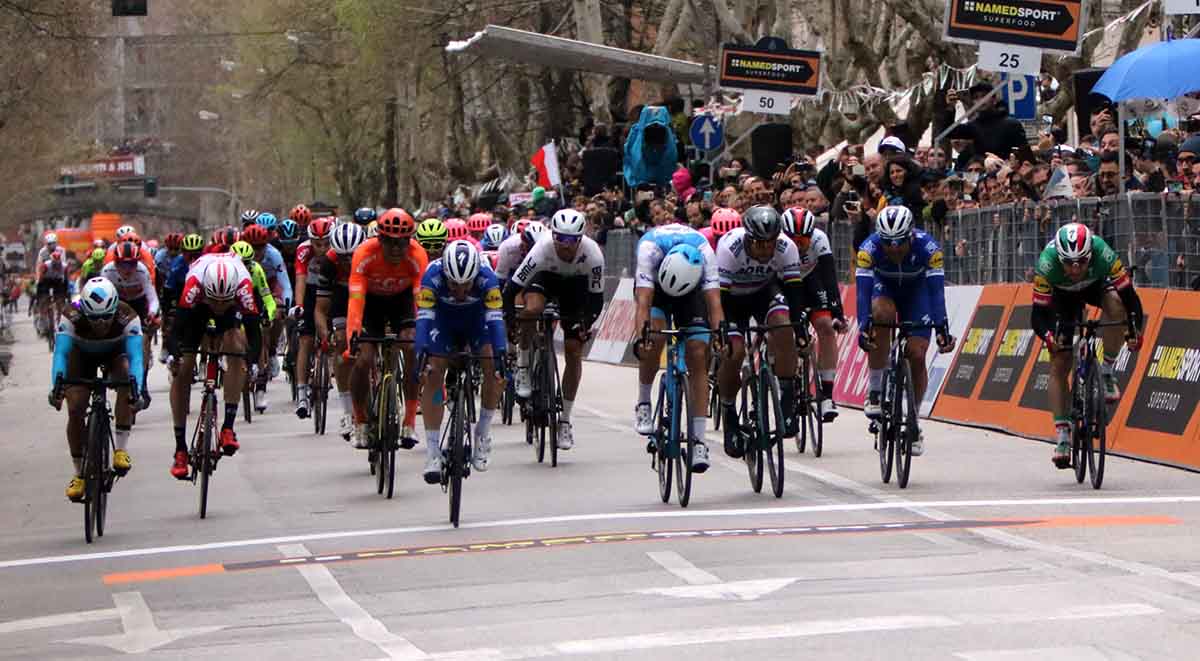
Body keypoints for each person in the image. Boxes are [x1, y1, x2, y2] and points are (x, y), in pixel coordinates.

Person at [1031, 223, 1144, 468]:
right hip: (1061, 297)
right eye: (1069, 263)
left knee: (1116, 305)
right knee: (1059, 360)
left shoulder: (1103, 252)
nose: (1075, 268)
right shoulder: (1047, 263)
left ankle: (1106, 371)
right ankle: (1062, 432)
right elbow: (1038, 315)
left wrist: (1135, 331)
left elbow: (1130, 297)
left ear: (1090, 254)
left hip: (1095, 285)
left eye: (1081, 261)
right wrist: (1049, 337)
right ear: (1059, 257)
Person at [856, 206, 957, 457]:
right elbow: (862, 292)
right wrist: (863, 325)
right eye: (887, 243)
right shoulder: (868, 249)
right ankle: (876, 389)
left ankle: (913, 416)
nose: (894, 248)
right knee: (881, 316)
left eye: (900, 242)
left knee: (917, 353)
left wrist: (942, 326)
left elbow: (936, 292)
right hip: (885, 289)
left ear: (910, 235)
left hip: (917, 293)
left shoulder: (929, 248)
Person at [502, 209, 605, 450]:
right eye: (559, 237)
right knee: (532, 309)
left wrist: (584, 325)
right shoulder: (543, 248)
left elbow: (596, 301)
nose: (564, 245)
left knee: (573, 350)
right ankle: (525, 364)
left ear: (580, 239)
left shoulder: (593, 255)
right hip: (545, 279)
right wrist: (510, 320)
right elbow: (511, 289)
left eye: (570, 240)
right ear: (553, 235)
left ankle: (566, 421)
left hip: (576, 289)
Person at [631, 223, 723, 473]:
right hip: (657, 291)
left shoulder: (705, 254)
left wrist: (719, 336)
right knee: (655, 337)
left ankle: (699, 440)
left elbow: (714, 304)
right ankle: (643, 402)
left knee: (697, 351)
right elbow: (643, 303)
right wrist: (642, 338)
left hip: (691, 293)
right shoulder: (649, 251)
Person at [714, 206, 803, 458]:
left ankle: (786, 399)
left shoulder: (787, 248)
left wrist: (800, 330)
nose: (766, 250)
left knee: (785, 328)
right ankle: (729, 412)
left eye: (770, 244)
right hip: (730, 300)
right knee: (734, 352)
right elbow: (718, 300)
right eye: (759, 244)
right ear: (747, 238)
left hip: (764, 292)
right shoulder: (729, 248)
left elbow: (795, 293)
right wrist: (720, 335)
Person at [415, 240, 507, 481]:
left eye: (465, 284)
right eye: (453, 284)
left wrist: (500, 353)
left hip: (477, 323)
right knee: (434, 372)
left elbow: (496, 320)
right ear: (445, 273)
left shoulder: (488, 278)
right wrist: (420, 350)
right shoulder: (432, 275)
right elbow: (424, 318)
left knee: (493, 368)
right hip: (443, 323)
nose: (459, 290)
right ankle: (433, 452)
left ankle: (482, 433)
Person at [168, 252, 261, 479]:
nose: (219, 306)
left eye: (223, 301)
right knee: (184, 366)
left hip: (231, 308)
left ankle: (228, 428)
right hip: (198, 310)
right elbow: (175, 331)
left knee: (237, 348)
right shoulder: (194, 286)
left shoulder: (243, 287)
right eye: (215, 301)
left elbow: (254, 333)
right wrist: (175, 354)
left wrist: (253, 362)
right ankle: (180, 449)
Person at [49, 278, 144, 501]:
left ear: (115, 308)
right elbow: (61, 354)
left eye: (106, 317)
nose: (101, 324)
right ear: (83, 310)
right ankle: (79, 473)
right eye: (94, 318)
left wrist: (136, 390)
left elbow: (136, 358)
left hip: (115, 354)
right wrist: (57, 388)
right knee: (76, 407)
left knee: (126, 378)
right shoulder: (71, 315)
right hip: (81, 356)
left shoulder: (127, 316)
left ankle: (120, 449)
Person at [345, 208, 429, 449]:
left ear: (409, 241)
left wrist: (423, 338)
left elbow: (421, 303)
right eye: (390, 243)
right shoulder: (364, 253)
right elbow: (356, 299)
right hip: (370, 303)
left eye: (402, 243)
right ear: (379, 239)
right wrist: (353, 334)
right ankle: (360, 421)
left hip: (402, 301)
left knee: (412, 347)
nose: (396, 249)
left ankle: (410, 421)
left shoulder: (417, 255)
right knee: (363, 359)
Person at [780, 207, 847, 421]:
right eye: (793, 241)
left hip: (811, 279)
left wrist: (838, 311)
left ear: (811, 235)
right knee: (787, 332)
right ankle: (789, 386)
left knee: (826, 327)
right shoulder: (776, 242)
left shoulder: (819, 239)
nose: (798, 246)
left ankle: (826, 395)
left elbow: (829, 277)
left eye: (803, 241)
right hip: (784, 283)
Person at [313, 221, 366, 439]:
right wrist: (326, 335)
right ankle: (347, 410)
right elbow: (320, 308)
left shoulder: (370, 257)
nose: (348, 261)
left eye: (352, 255)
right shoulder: (328, 263)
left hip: (368, 294)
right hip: (342, 297)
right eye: (343, 257)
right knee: (342, 346)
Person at [100, 241, 160, 401]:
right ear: (115, 262)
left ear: (137, 262)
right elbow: (100, 295)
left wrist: (152, 313)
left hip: (138, 304)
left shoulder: (142, 271)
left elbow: (153, 298)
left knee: (144, 341)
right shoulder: (107, 271)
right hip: (117, 303)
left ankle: (142, 381)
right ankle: (109, 368)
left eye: (131, 264)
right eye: (122, 265)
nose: (127, 269)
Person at [292, 217, 334, 419]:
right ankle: (301, 392)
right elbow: (300, 280)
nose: (323, 248)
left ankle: (329, 365)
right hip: (309, 290)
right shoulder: (303, 251)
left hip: (330, 290)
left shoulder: (337, 251)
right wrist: (299, 306)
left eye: (327, 243)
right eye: (318, 244)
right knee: (305, 339)